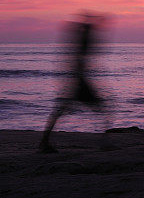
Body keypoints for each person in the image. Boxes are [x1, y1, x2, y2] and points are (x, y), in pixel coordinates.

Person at [39, 13, 111, 153]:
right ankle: (104, 143)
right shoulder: (83, 46)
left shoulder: (79, 45)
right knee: (105, 110)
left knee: (59, 112)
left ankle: (44, 142)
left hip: (76, 82)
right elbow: (79, 64)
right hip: (80, 83)